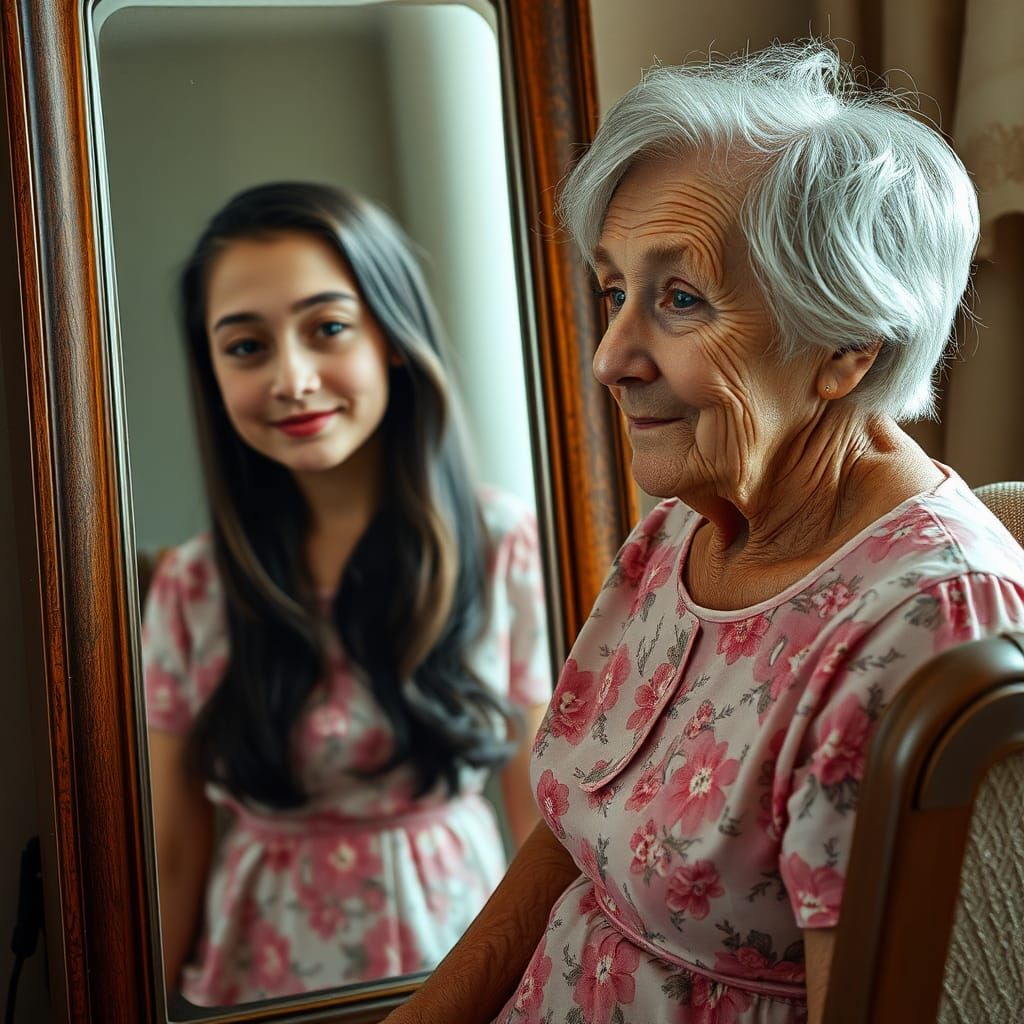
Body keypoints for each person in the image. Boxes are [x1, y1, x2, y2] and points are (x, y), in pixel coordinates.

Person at [382, 39, 1024, 1024]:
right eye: (614, 291)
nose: (609, 357)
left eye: (679, 300)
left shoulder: (926, 621)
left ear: (846, 345)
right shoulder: (682, 531)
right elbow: (570, 834)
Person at [141, 182, 551, 1006]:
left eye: (327, 329)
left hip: (457, 955)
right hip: (258, 973)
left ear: (392, 339)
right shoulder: (191, 586)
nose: (292, 378)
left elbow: (539, 821)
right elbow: (172, 849)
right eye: (246, 347)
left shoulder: (502, 543)